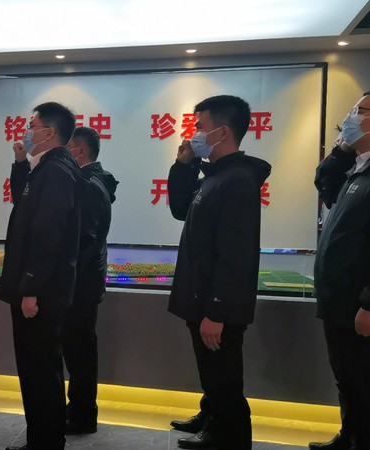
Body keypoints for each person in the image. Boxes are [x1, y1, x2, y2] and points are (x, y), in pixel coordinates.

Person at [167, 95, 270, 450]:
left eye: (200, 127)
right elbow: (180, 208)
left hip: (216, 303)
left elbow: (235, 253)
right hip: (204, 296)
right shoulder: (216, 175)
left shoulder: (237, 180)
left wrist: (217, 311)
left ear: (222, 132)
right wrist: (183, 165)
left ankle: (227, 438)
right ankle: (212, 420)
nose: (193, 133)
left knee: (224, 379)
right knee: (214, 374)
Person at [0, 102, 82, 450]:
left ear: (50, 132)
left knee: (40, 371)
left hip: (40, 291)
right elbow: (25, 205)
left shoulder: (56, 171)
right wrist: (20, 163)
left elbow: (48, 235)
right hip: (40, 287)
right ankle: (43, 439)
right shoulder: (46, 168)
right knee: (37, 369)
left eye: (32, 126)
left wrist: (31, 288)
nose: (27, 131)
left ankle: (45, 442)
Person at [313, 89, 370, 450]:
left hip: (364, 306)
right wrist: (341, 150)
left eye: (360, 110)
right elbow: (325, 185)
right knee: (349, 380)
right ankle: (350, 437)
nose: (350, 117)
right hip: (340, 303)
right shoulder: (360, 168)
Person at [61, 126, 117, 435]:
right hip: (81, 283)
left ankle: (83, 415)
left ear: (79, 151)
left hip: (80, 286)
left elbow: (83, 242)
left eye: (66, 147)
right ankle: (78, 409)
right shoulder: (91, 182)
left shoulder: (90, 186)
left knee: (80, 352)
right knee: (76, 350)